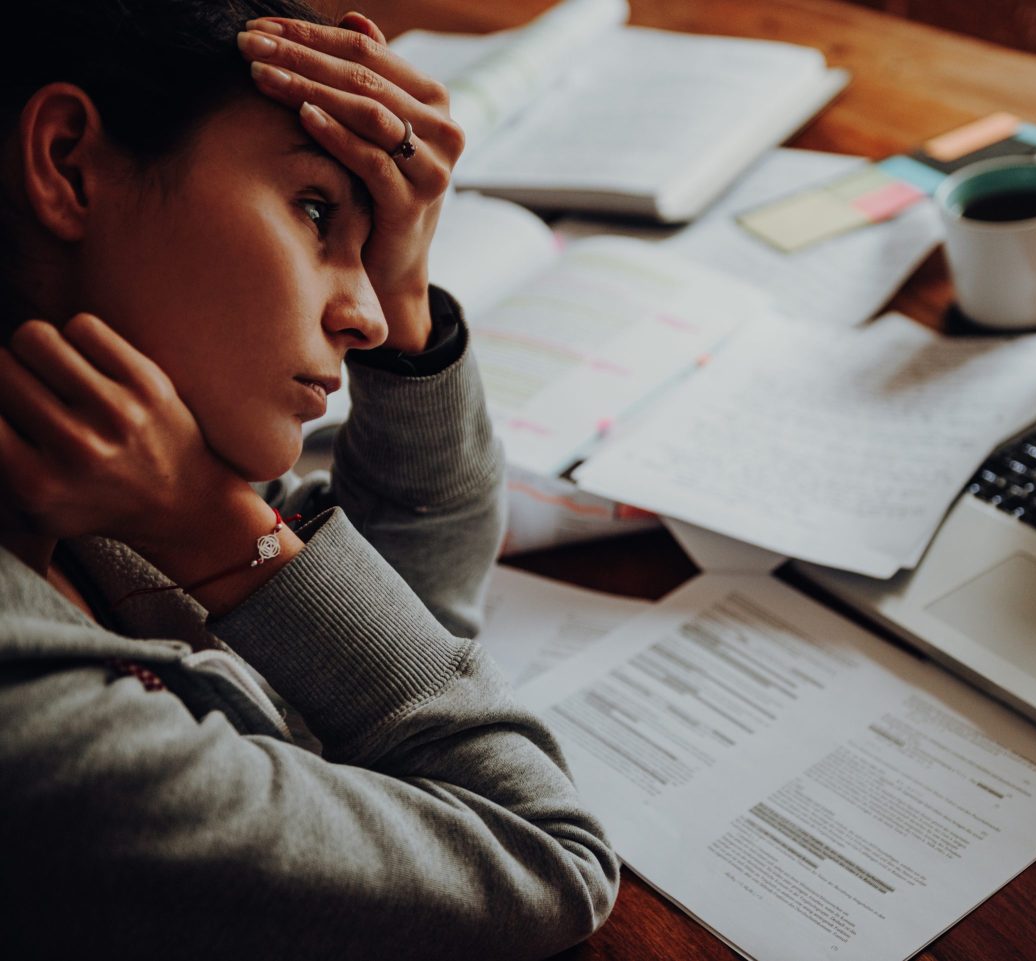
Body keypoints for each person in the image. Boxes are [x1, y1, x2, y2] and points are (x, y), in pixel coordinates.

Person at [0, 1, 620, 957]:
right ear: (68, 160)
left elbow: (386, 640)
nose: (368, 315)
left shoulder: (93, 464)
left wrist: (407, 284)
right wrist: (216, 529)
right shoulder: (38, 722)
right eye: (316, 209)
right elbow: (545, 850)